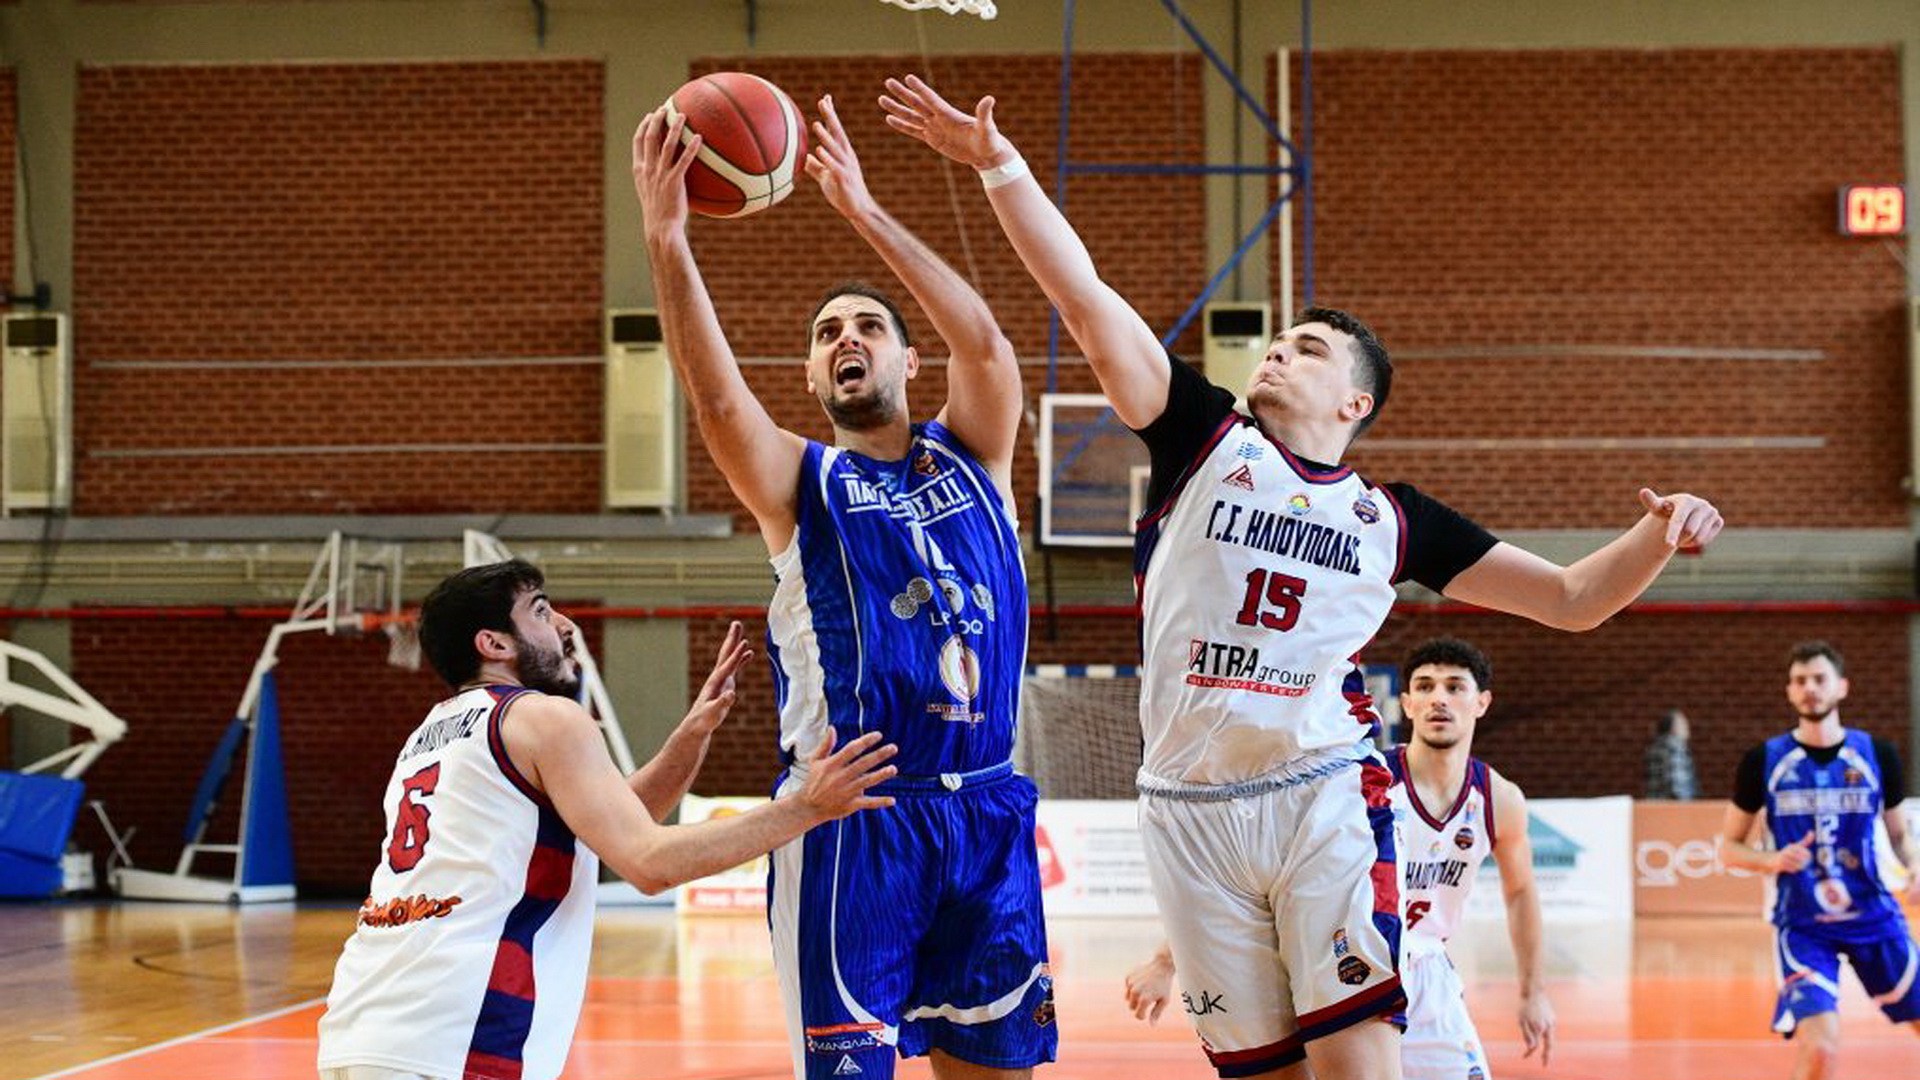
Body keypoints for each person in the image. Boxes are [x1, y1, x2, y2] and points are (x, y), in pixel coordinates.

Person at [880, 75, 1723, 1080]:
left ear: (1355, 401)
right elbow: (1083, 298)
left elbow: (1574, 601)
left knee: (1358, 1066)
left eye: (1308, 349)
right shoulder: (1201, 437)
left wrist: (1659, 534)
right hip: (1184, 808)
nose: (1279, 354)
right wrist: (1003, 169)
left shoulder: (1394, 519)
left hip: (1321, 792)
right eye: (1277, 344)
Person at [634, 93, 1047, 1080]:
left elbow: (987, 345)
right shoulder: (802, 481)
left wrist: (863, 210)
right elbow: (716, 399)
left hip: (986, 814)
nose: (845, 338)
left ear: (910, 357)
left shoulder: (977, 456)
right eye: (826, 334)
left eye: (867, 325)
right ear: (813, 377)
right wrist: (668, 243)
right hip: (854, 820)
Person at [316, 560, 898, 1080]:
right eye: (540, 611)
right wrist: (806, 807)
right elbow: (649, 863)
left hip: (360, 1025)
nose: (565, 625)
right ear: (493, 643)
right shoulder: (544, 718)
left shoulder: (430, 734)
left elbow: (605, 826)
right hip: (459, 1031)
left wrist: (692, 735)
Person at [1123, 638, 1555, 1080]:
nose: (1438, 699)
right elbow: (1252, 876)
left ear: (1482, 702)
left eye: (1455, 687)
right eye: (1425, 686)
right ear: (1406, 703)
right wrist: (1164, 961)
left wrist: (1533, 993)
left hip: (1429, 972)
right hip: (1347, 960)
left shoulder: (1498, 799)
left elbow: (1521, 892)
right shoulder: (1359, 780)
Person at [1716, 640, 1920, 1080]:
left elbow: (1900, 836)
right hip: (1803, 924)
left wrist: (1916, 866)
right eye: (1800, 680)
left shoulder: (1878, 755)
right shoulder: (1763, 761)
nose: (1810, 688)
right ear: (1789, 691)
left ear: (1841, 686)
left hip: (1873, 913)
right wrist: (1772, 859)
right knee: (1821, 1049)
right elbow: (1728, 848)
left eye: (1819, 679)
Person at [1644, 708, 1699, 800]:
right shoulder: (1674, 747)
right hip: (1674, 805)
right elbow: (1676, 784)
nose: (1687, 728)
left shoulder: (1654, 747)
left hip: (1655, 802)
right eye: (1683, 724)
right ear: (1673, 727)